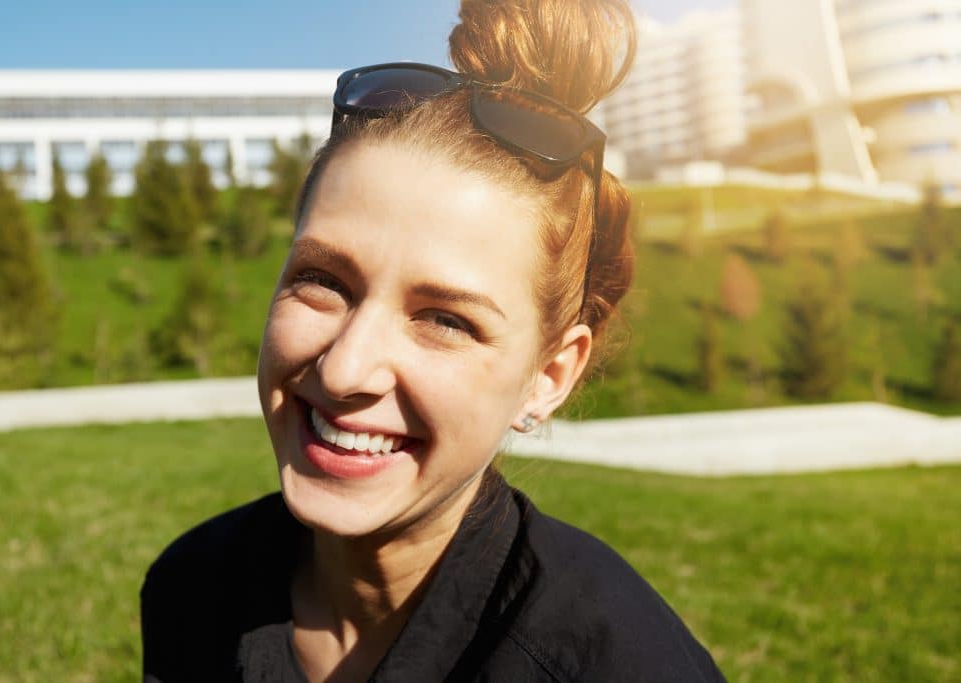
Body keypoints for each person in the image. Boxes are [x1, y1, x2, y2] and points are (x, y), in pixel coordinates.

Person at [141, 0, 726, 680]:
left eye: (446, 319)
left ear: (549, 375)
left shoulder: (622, 663)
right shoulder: (192, 588)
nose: (345, 368)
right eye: (324, 280)